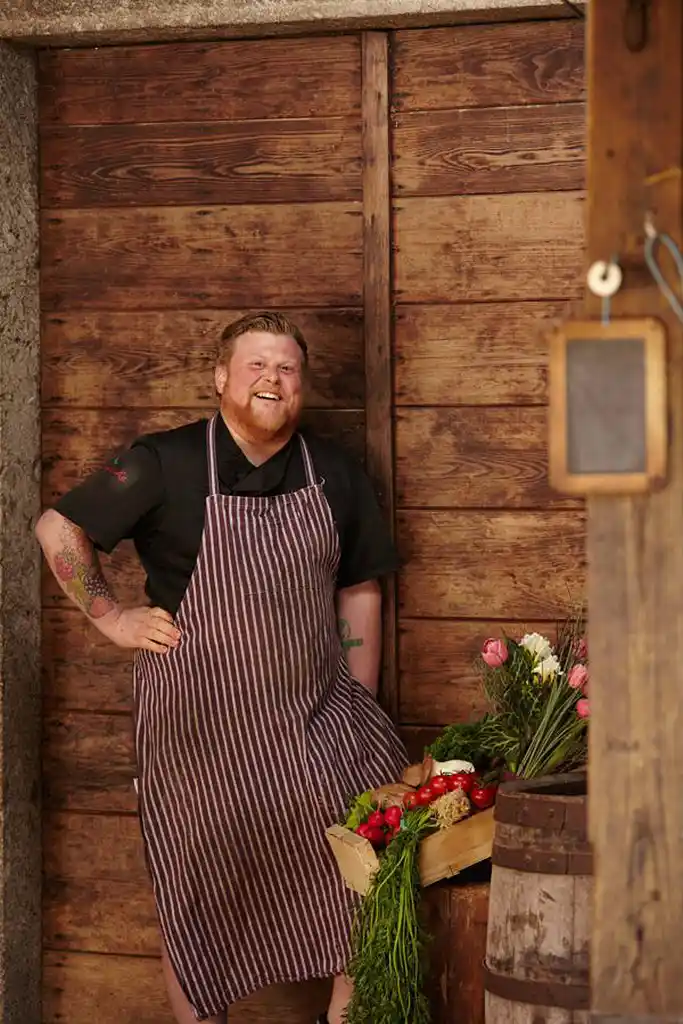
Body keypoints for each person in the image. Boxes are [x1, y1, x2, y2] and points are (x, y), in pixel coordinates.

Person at [36, 311, 408, 1024]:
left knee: (363, 875)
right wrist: (110, 617)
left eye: (288, 368)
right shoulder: (164, 461)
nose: (273, 378)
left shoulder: (331, 471)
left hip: (312, 717)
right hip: (196, 728)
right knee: (196, 888)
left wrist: (356, 699)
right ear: (220, 378)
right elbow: (59, 527)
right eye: (256, 365)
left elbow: (360, 585)